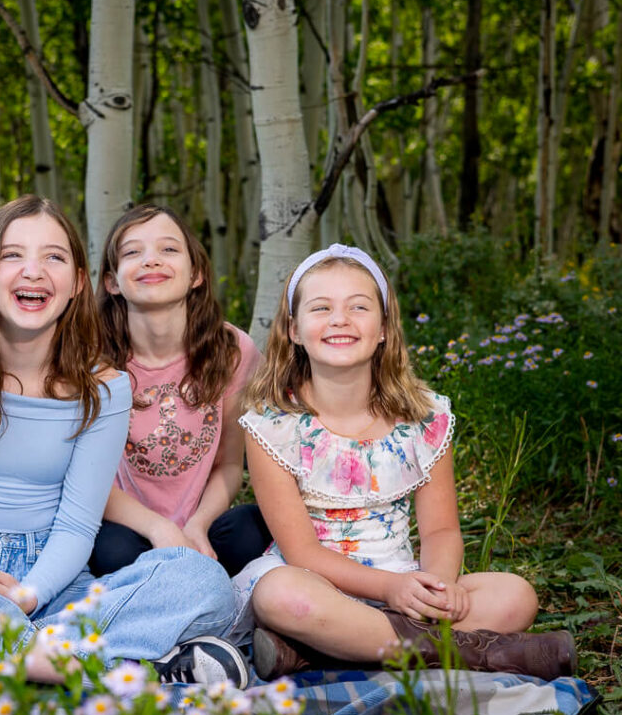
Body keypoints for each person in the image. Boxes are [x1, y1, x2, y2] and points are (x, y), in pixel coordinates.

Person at [0, 196, 246, 693]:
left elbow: (79, 522)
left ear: (79, 281)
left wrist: (29, 595)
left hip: (54, 583)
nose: (32, 271)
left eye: (54, 257)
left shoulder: (104, 387)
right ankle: (89, 666)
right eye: (13, 255)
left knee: (203, 583)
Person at [234, 243, 576, 681]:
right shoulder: (273, 425)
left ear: (382, 329)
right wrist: (390, 591)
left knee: (515, 596)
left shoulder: (424, 418)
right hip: (316, 582)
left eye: (359, 306)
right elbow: (302, 553)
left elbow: (440, 529)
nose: (340, 319)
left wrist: (437, 587)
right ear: (294, 330)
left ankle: (322, 653)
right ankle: (474, 654)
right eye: (321, 307)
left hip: (405, 581)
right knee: (280, 596)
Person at [90, 204, 270, 578]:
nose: (151, 260)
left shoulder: (232, 351)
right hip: (127, 530)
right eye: (132, 252)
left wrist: (197, 526)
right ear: (112, 281)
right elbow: (89, 481)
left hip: (202, 530)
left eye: (168, 249)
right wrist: (160, 530)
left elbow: (229, 465)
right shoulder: (92, 361)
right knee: (107, 549)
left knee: (253, 528)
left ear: (197, 275)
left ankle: (204, 604)